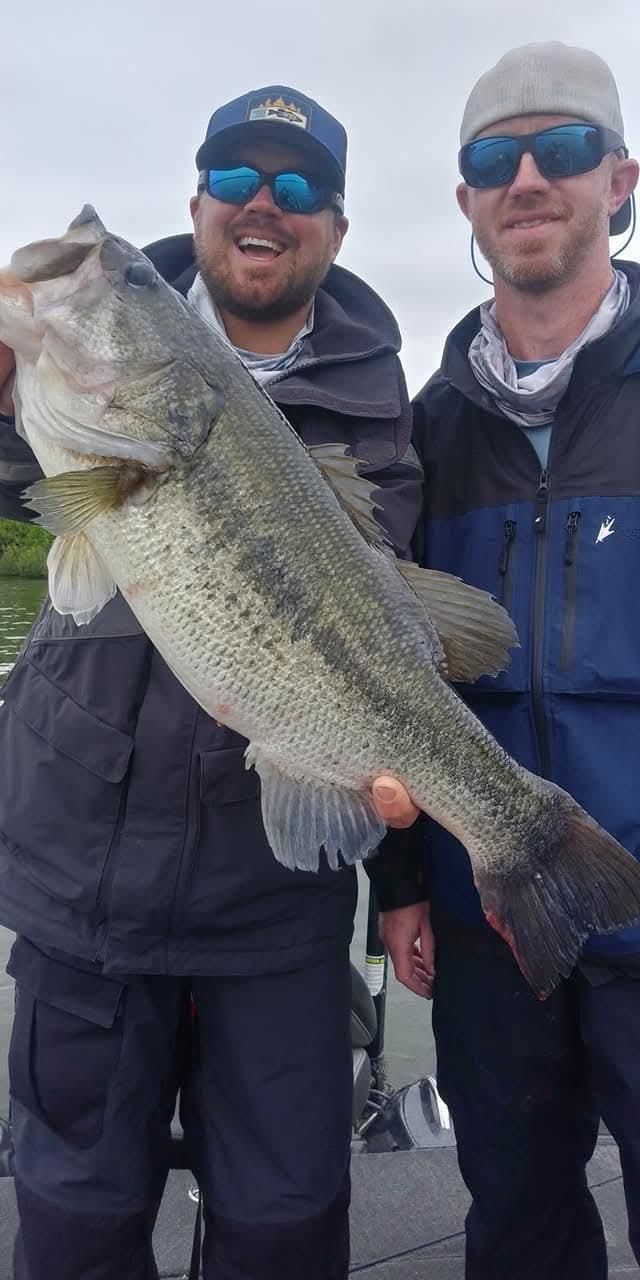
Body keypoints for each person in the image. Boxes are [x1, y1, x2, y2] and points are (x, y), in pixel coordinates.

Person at [0, 85, 422, 1280]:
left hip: (272, 905)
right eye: (234, 178)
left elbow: (397, 658)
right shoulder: (75, 371)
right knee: (73, 1229)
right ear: (195, 205)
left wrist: (403, 871)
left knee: (285, 1228)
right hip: (82, 887)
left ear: (336, 225)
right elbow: (29, 485)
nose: (262, 203)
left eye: (297, 186)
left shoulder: (387, 412)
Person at [375, 42, 640, 1279]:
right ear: (467, 201)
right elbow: (377, 677)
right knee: (519, 1229)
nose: (527, 177)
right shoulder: (418, 431)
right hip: (487, 921)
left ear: (619, 181)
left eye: (562, 147)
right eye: (494, 158)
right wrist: (400, 883)